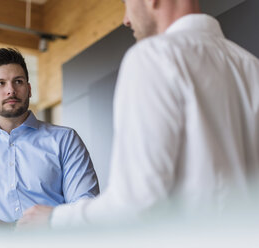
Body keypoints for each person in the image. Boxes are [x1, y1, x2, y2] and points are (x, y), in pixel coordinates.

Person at [18, 0, 259, 228]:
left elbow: (136, 205)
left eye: (126, 3)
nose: (126, 20)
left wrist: (52, 220)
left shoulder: (152, 56)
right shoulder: (250, 66)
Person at [0, 48, 99, 227]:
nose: (11, 90)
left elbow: (86, 208)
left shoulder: (65, 140)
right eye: (0, 83)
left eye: (18, 82)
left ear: (29, 89)